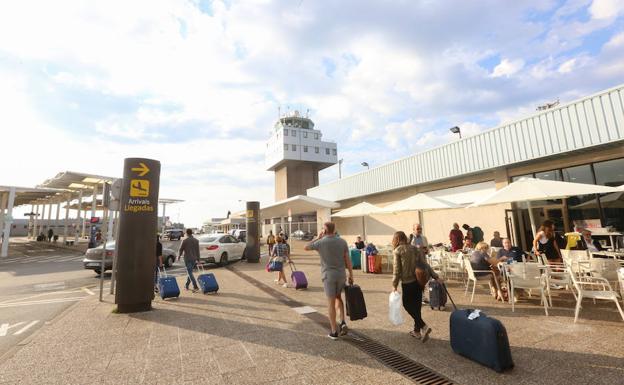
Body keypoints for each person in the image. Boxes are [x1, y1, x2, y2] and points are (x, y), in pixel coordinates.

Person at [304, 222, 353, 340]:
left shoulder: (320, 243)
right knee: (338, 298)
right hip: (341, 275)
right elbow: (348, 260)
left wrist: (317, 237)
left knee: (331, 302)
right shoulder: (342, 242)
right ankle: (342, 322)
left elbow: (305, 247)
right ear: (334, 230)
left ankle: (333, 331)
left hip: (328, 276)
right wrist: (351, 274)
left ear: (324, 231)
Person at [391, 231, 440, 342]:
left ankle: (423, 326)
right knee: (417, 306)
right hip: (418, 281)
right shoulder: (414, 248)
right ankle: (417, 332)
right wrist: (435, 276)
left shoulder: (397, 251)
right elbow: (425, 264)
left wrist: (394, 285)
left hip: (407, 283)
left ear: (396, 239)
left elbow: (397, 270)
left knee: (407, 305)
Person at [178, 228, 200, 293]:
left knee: (189, 272)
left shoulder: (185, 240)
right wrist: (198, 259)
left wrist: (179, 256)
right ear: (191, 233)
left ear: (187, 233)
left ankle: (195, 286)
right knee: (190, 272)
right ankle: (186, 285)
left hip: (187, 258)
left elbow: (181, 249)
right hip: (194, 259)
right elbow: (197, 251)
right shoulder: (196, 240)